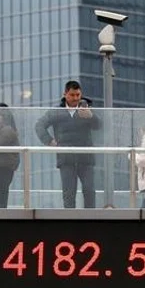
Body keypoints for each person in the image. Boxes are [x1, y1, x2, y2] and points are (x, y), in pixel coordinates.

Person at [35, 80, 102, 208]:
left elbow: (99, 126)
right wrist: (49, 141)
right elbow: (39, 125)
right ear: (65, 94)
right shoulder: (56, 111)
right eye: (72, 95)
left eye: (78, 95)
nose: (75, 98)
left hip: (86, 158)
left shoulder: (87, 109)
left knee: (89, 191)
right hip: (66, 159)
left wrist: (91, 116)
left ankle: (90, 222)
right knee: (68, 194)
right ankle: (70, 223)